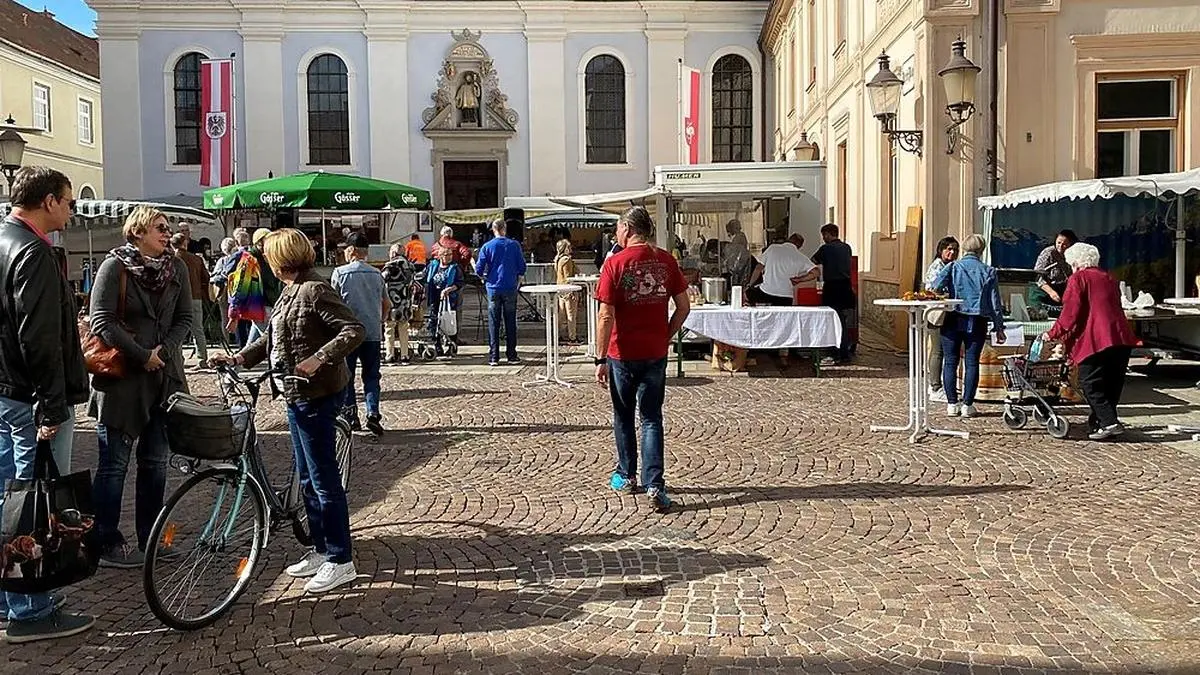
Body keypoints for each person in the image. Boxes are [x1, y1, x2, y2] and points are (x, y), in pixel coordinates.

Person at [211, 229, 364, 594]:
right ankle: (320, 547)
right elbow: (273, 337)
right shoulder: (291, 289)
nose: (264, 261)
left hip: (316, 394)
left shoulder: (314, 289)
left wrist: (317, 359)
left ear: (281, 258)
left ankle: (341, 559)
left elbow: (353, 330)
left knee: (324, 479)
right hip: (294, 394)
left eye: (267, 255)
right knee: (308, 478)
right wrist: (239, 357)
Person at [0, 166, 94, 642]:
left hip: (6, 393)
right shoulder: (33, 252)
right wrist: (51, 407)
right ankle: (30, 608)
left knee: (7, 498)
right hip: (29, 399)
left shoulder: (3, 239)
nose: (72, 209)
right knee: (35, 505)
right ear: (49, 201)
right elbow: (37, 338)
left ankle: (7, 596)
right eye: (69, 200)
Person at [89, 206, 193, 568]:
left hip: (164, 378)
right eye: (159, 228)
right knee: (114, 464)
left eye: (167, 228)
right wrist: (140, 354)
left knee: (155, 463)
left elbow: (184, 318)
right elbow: (101, 319)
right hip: (122, 381)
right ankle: (106, 541)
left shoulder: (176, 268)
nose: (167, 233)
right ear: (137, 232)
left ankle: (151, 538)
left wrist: (163, 352)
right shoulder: (114, 267)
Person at [595, 206, 690, 513]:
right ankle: (655, 484)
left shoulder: (615, 264)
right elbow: (684, 306)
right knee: (651, 418)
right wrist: (666, 334)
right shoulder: (666, 260)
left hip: (622, 352)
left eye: (617, 229)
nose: (616, 235)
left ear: (627, 228)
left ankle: (626, 474)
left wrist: (599, 358)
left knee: (623, 416)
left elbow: (605, 315)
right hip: (654, 351)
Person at [1043, 243, 1136, 440]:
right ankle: (1101, 423)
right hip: (1121, 336)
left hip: (1098, 338)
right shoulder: (1109, 277)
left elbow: (1071, 313)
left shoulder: (1079, 278)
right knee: (1111, 383)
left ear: (1075, 263)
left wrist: (1053, 333)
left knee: (1089, 382)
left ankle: (1109, 422)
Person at [932, 233, 1006, 418]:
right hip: (978, 321)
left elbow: (935, 287)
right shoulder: (989, 271)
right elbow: (995, 302)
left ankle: (951, 404)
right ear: (981, 250)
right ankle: (967, 405)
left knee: (950, 361)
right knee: (972, 363)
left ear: (964, 248)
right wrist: (999, 328)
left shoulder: (953, 267)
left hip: (953, 318)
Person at [330, 233, 389, 436]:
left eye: (345, 249)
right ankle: (373, 413)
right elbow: (386, 304)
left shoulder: (340, 273)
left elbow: (333, 303)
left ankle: (351, 415)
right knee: (372, 376)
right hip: (372, 332)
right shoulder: (376, 274)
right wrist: (379, 320)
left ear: (351, 250)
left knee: (347, 376)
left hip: (347, 333)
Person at [475, 218, 527, 366]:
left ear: (493, 229)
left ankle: (494, 356)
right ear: (505, 229)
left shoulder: (487, 246)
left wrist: (484, 277)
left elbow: (479, 269)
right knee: (510, 321)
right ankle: (512, 355)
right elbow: (522, 267)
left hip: (493, 287)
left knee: (493, 322)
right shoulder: (514, 245)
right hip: (510, 286)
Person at [812, 224, 858, 362]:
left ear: (827, 234)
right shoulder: (847, 247)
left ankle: (839, 352)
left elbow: (812, 261)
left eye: (824, 235)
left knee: (833, 320)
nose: (823, 238)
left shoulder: (825, 249)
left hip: (832, 287)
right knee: (842, 319)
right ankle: (843, 349)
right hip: (846, 286)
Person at [924, 236, 960, 403]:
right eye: (949, 249)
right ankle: (935, 386)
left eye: (955, 250)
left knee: (946, 351)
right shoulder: (937, 267)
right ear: (941, 250)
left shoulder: (950, 266)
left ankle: (942, 384)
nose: (952, 253)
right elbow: (932, 289)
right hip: (937, 313)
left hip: (948, 313)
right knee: (938, 350)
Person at [746, 232, 818, 306]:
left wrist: (750, 285)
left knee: (747, 295)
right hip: (786, 296)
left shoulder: (772, 248)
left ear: (788, 240)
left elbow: (758, 268)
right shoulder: (801, 257)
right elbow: (816, 272)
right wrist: (799, 279)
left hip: (766, 292)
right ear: (800, 246)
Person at [172, 232, 210, 369]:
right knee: (197, 329)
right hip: (195, 297)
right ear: (185, 243)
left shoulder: (170, 259)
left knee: (176, 330)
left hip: (175, 298)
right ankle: (202, 359)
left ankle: (178, 360)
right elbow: (206, 278)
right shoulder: (196, 259)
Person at [382, 243, 418, 365]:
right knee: (404, 328)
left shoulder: (391, 265)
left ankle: (390, 355)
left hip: (392, 302)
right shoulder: (410, 266)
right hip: (405, 302)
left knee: (389, 328)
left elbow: (382, 280)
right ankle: (404, 355)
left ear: (393, 253)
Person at [425, 247, 462, 358]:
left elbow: (460, 283)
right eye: (446, 255)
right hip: (434, 298)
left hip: (449, 300)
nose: (449, 257)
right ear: (440, 256)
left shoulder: (455, 268)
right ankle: (437, 345)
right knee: (434, 322)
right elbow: (424, 276)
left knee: (449, 322)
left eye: (450, 254)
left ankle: (452, 345)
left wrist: (449, 289)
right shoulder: (433, 266)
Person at [1034, 229, 1077, 306]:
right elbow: (1037, 275)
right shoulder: (1048, 253)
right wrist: (1051, 292)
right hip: (1045, 291)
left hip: (1065, 290)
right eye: (1058, 243)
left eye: (1064, 244)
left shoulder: (1074, 254)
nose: (1060, 246)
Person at [554, 239, 581, 344]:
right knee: (571, 314)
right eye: (568, 247)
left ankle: (558, 335)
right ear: (564, 248)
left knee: (561, 314)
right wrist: (573, 290)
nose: (570, 249)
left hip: (560, 288)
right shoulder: (566, 260)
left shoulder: (558, 259)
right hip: (568, 288)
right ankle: (572, 337)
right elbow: (568, 276)